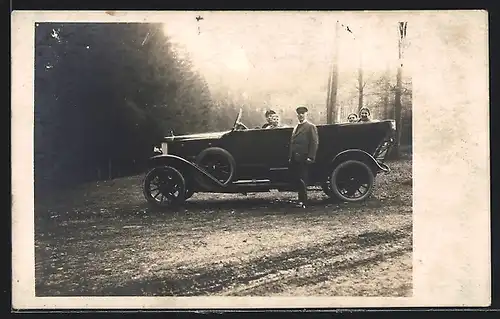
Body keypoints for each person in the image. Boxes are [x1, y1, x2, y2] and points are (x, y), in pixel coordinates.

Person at [288, 106, 319, 208]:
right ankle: (300, 200)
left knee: (303, 180)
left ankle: (304, 202)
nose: (301, 115)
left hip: (304, 157)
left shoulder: (310, 127)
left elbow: (314, 143)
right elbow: (293, 143)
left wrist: (311, 157)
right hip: (295, 157)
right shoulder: (296, 127)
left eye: (303, 113)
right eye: (299, 114)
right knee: (298, 179)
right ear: (297, 115)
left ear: (306, 114)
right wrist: (290, 156)